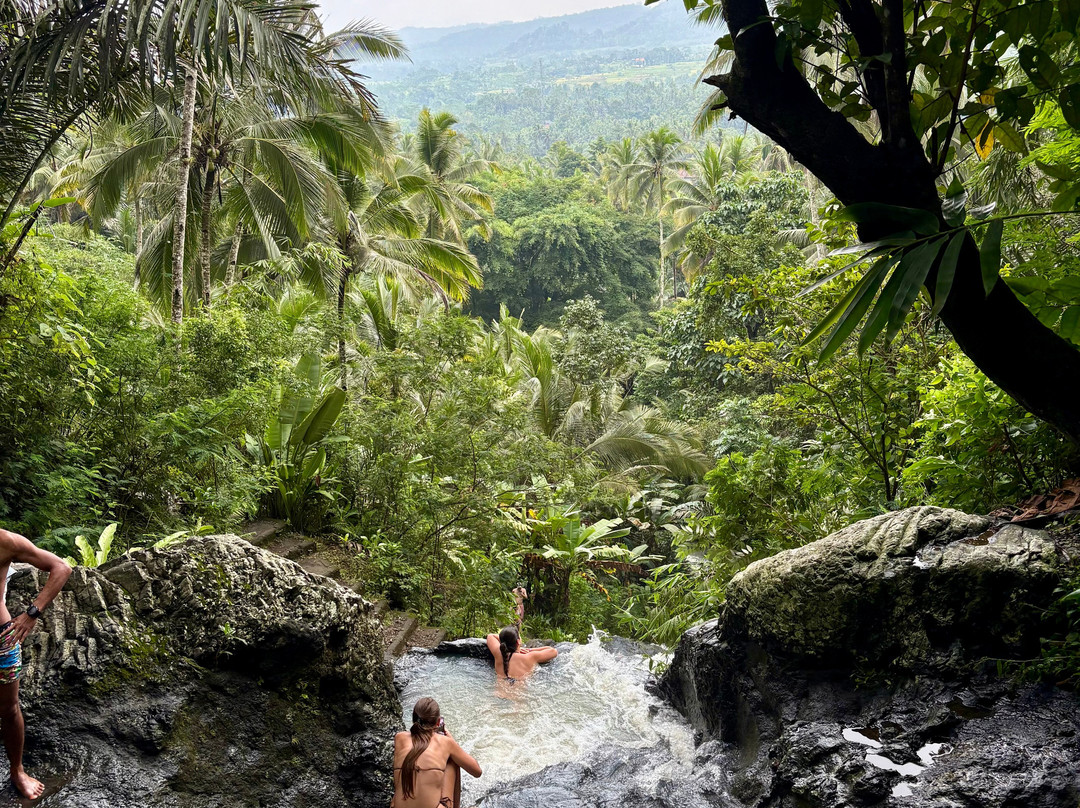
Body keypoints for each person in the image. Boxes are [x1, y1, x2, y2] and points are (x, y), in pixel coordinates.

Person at [0, 527, 73, 799]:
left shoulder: (5, 541)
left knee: (8, 709)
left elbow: (61, 568)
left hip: (1, 639)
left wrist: (32, 613)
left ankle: (17, 771)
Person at [392, 697, 481, 808]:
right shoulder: (445, 743)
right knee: (452, 760)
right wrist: (452, 742)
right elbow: (477, 772)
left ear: (414, 719)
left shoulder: (399, 738)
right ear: (438, 722)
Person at [485, 625, 557, 683]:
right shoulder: (530, 657)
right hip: (517, 699)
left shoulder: (499, 653)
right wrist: (529, 650)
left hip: (498, 695)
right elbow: (553, 651)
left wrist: (505, 640)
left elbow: (490, 636)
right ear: (518, 641)